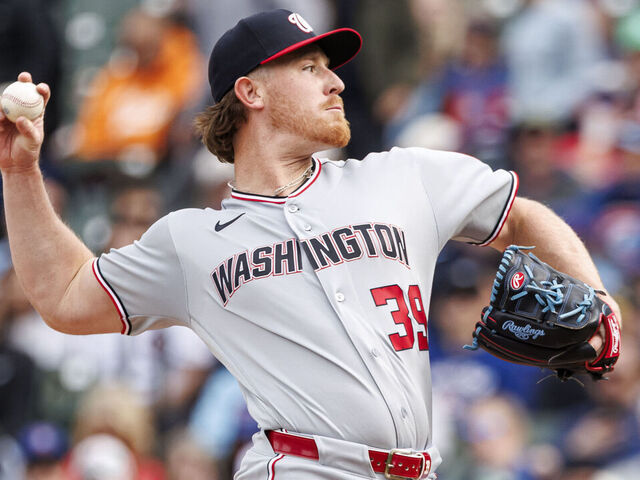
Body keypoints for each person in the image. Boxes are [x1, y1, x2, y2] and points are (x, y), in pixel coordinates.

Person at [0, 9, 622, 480]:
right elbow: (63, 295)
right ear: (252, 92)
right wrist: (22, 173)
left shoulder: (401, 177)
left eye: (330, 67)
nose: (335, 82)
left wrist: (596, 299)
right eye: (309, 67)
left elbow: (523, 216)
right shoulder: (191, 242)